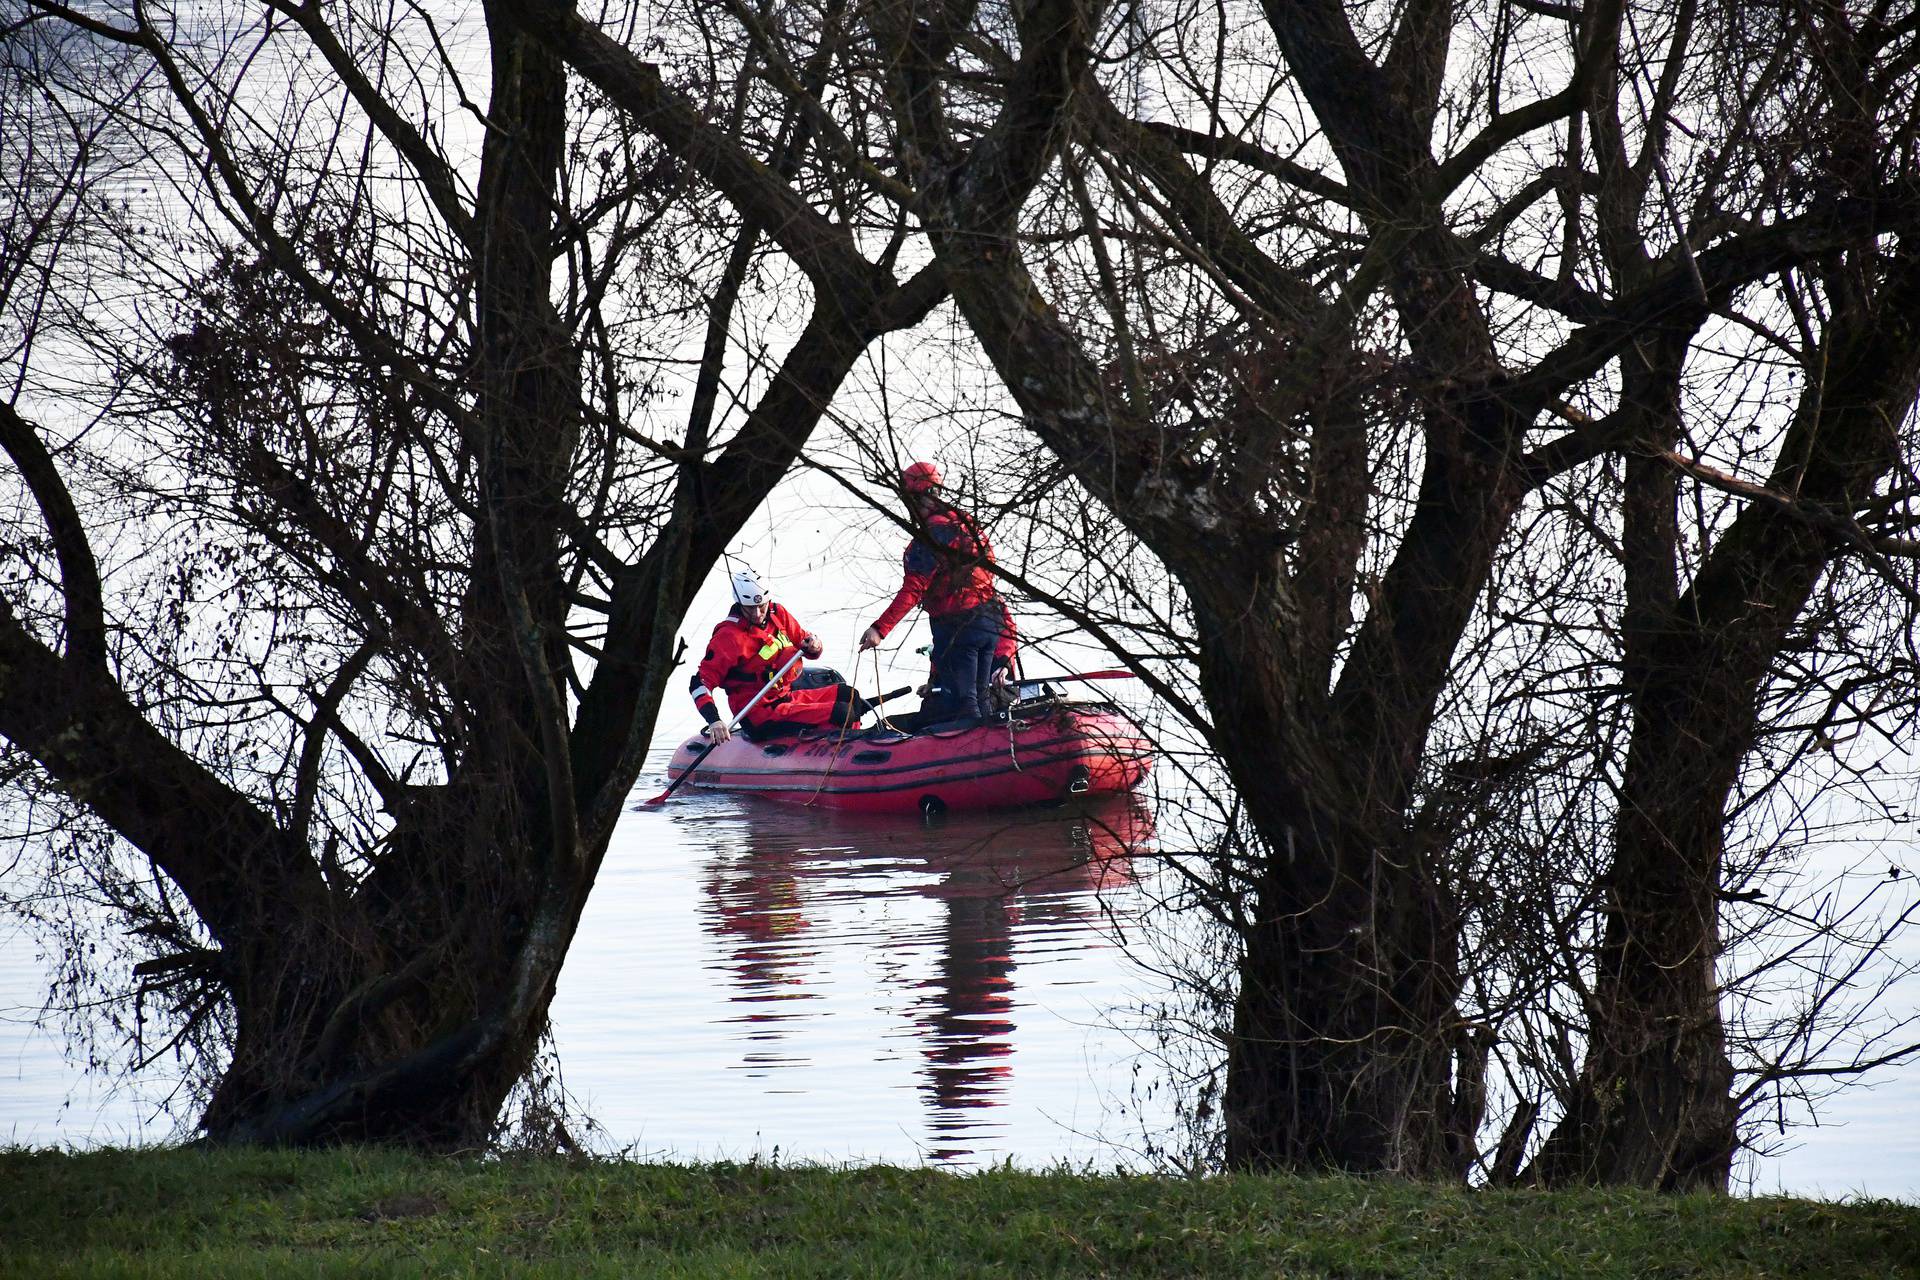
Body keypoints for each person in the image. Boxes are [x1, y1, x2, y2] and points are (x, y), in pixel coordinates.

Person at [859, 462, 1010, 722]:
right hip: (988, 624)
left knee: (965, 704)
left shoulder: (933, 535)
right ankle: (994, 747)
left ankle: (971, 751)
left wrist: (879, 629)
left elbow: (914, 588)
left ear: (917, 497)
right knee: (981, 698)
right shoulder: (966, 524)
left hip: (959, 626)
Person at [692, 570, 868, 743]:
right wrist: (713, 720)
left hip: (786, 697)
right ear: (739, 604)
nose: (757, 614)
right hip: (757, 714)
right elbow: (700, 683)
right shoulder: (728, 637)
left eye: (761, 607)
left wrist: (814, 645)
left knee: (849, 695)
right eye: (750, 609)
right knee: (842, 713)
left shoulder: (778, 615)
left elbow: (806, 643)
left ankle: (856, 745)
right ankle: (838, 751)